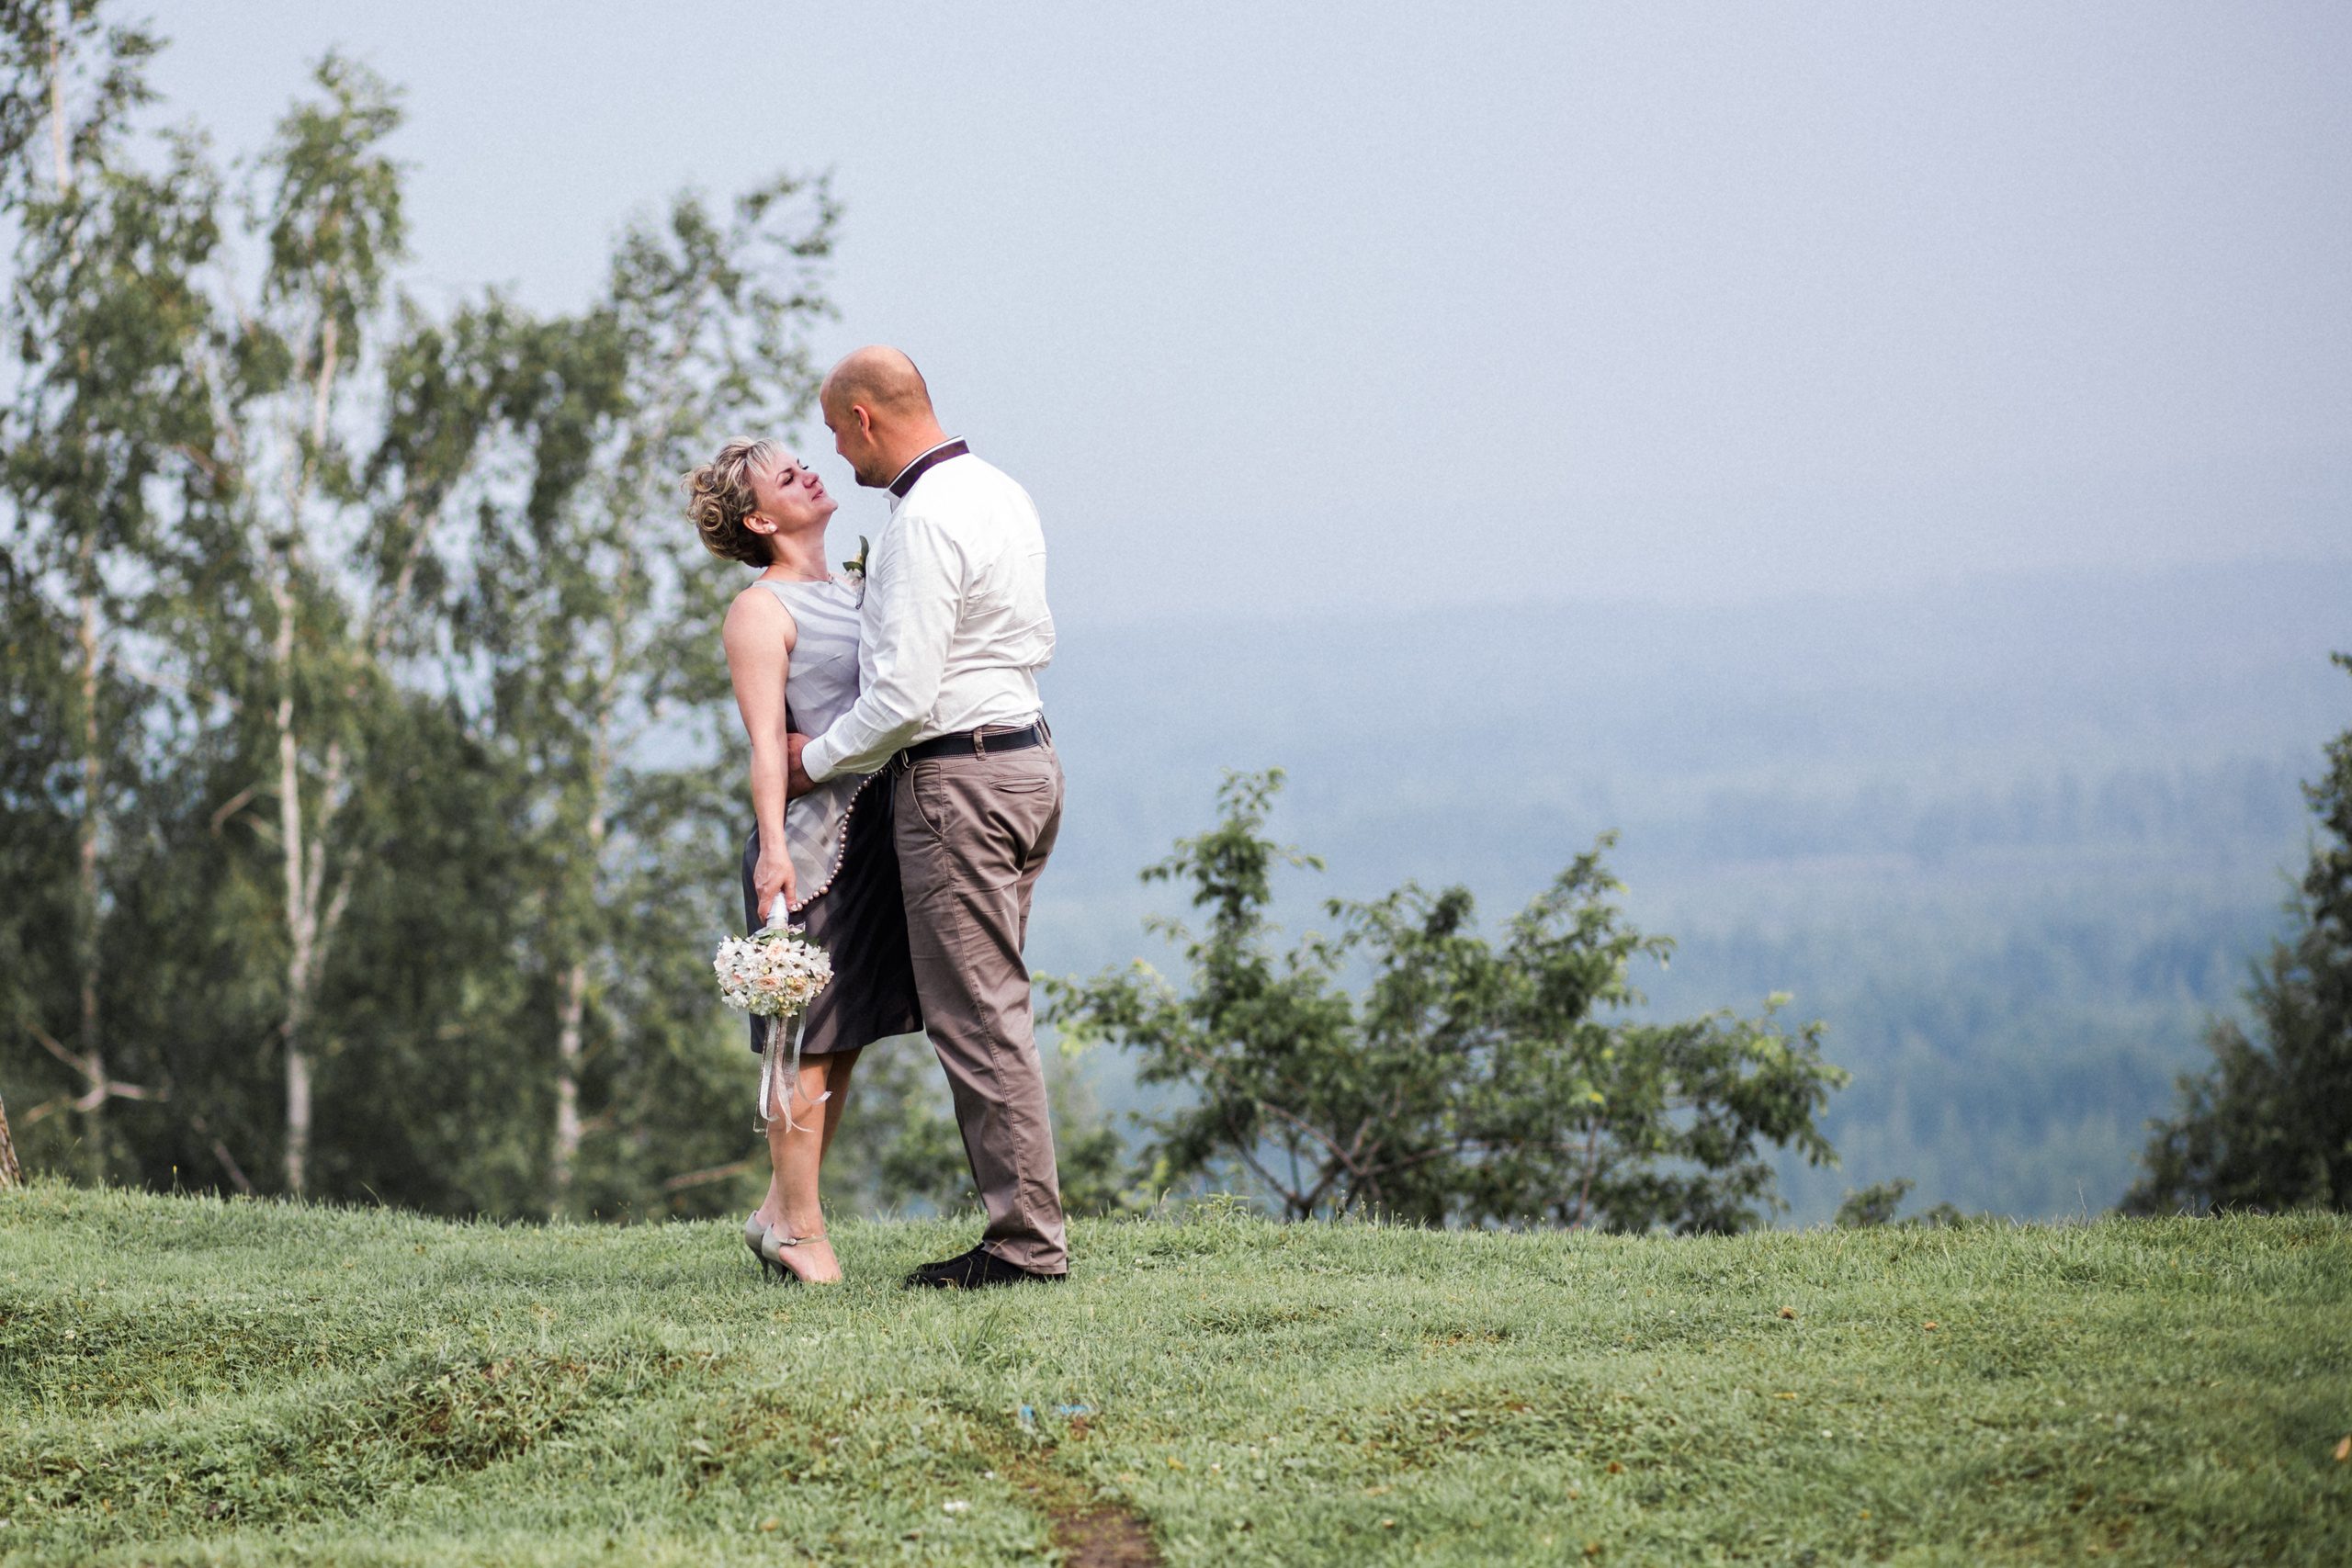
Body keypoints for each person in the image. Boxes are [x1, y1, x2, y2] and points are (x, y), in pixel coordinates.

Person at [786, 345, 1069, 1288]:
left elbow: (903, 695)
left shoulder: (921, 519)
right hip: (1026, 759)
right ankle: (1022, 1233)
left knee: (978, 1016)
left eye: (835, 432)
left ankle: (1024, 1247)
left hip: (958, 778)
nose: (838, 454)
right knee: (991, 1005)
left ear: (864, 417)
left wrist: (809, 761)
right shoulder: (998, 490)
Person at [687, 437, 922, 1284]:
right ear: (759, 518)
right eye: (789, 477)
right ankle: (803, 1230)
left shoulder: (849, 587)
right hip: (814, 845)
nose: (812, 475)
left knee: (844, 1036)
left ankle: (780, 1212)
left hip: (875, 836)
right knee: (802, 1041)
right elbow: (762, 745)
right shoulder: (760, 611)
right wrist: (774, 851)